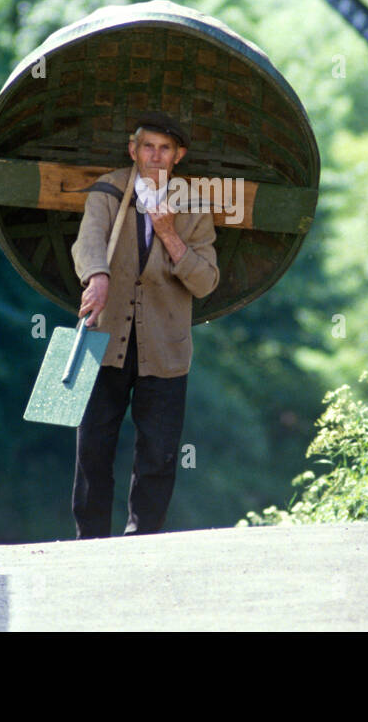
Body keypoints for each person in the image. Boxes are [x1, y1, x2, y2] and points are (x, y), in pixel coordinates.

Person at [69, 112, 219, 537]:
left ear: (179, 156)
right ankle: (90, 540)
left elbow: (206, 280)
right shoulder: (108, 190)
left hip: (166, 346)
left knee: (158, 453)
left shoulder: (193, 204)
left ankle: (143, 539)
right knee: (93, 446)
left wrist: (170, 233)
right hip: (104, 334)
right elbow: (88, 240)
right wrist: (97, 277)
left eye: (165, 149)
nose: (155, 156)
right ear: (132, 150)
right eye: (147, 146)